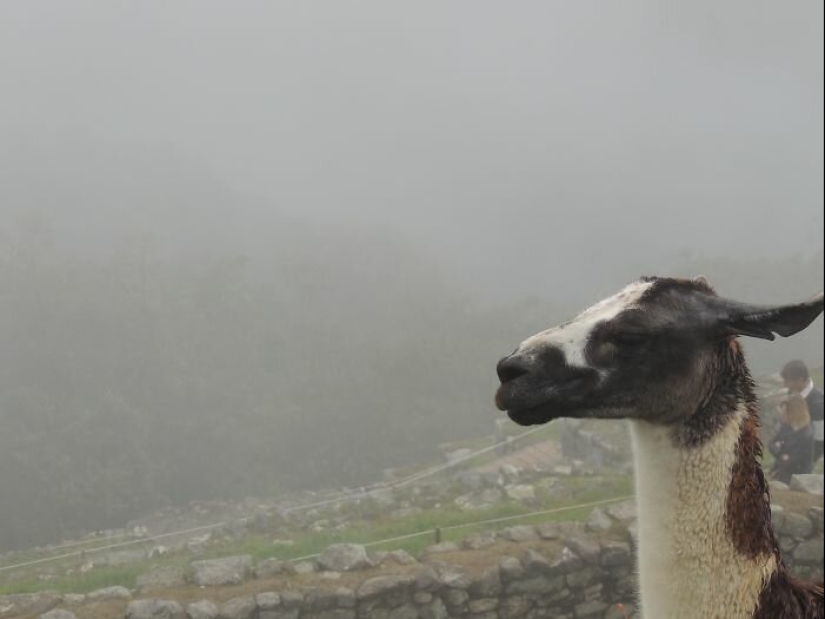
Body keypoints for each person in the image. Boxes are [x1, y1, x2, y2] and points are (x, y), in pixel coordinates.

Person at [781, 360, 824, 463]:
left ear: (800, 380)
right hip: (793, 450)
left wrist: (805, 463)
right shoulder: (793, 392)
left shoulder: (818, 404)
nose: (785, 385)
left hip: (806, 457)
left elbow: (820, 440)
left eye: (788, 381)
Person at [768, 395, 814, 484]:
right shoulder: (786, 426)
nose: (781, 415)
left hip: (797, 480)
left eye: (784, 413)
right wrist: (781, 453)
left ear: (794, 413)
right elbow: (771, 444)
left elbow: (792, 461)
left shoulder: (806, 435)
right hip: (780, 473)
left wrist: (779, 448)